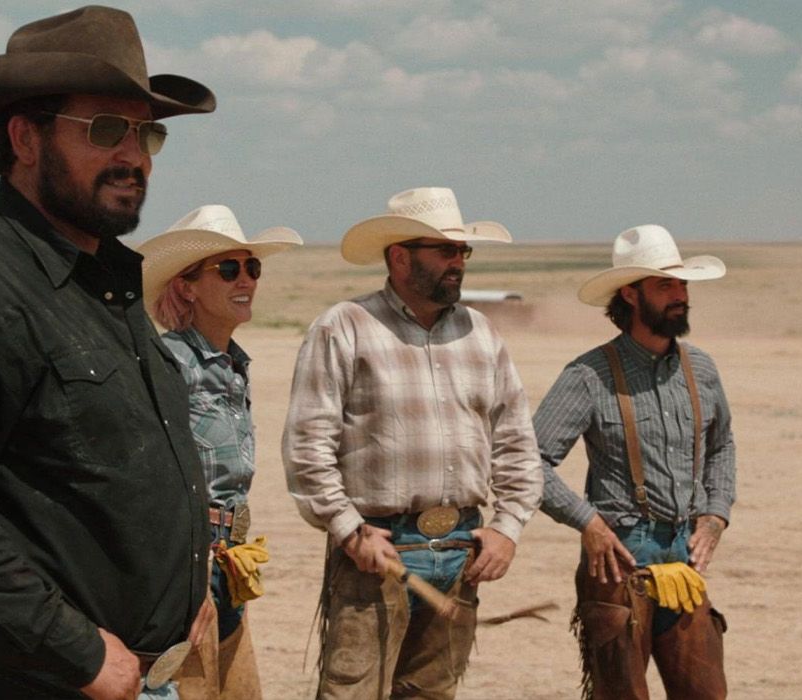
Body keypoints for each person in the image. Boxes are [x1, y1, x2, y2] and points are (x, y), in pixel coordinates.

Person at [0, 6, 220, 699]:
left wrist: (187, 589)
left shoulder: (109, 285)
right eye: (107, 130)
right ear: (25, 139)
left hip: (146, 678)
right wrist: (78, 651)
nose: (135, 156)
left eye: (147, 133)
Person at [282, 187, 544, 699]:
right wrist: (348, 529)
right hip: (376, 553)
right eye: (444, 250)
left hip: (460, 554)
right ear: (399, 256)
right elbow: (307, 446)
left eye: (462, 251)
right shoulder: (345, 327)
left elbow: (516, 443)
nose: (458, 263)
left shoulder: (481, 333)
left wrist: (507, 527)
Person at [531, 225, 735, 700]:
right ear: (630, 293)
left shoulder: (700, 368)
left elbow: (722, 445)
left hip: (684, 554)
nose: (680, 296)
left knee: (706, 692)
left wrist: (716, 516)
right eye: (666, 285)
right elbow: (529, 462)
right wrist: (589, 524)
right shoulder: (588, 374)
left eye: (682, 285)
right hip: (618, 559)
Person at [138, 205, 302, 699]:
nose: (246, 279)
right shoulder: (172, 362)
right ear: (186, 286)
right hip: (189, 556)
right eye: (228, 269)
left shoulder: (233, 364)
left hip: (228, 556)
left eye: (252, 267)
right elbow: (154, 477)